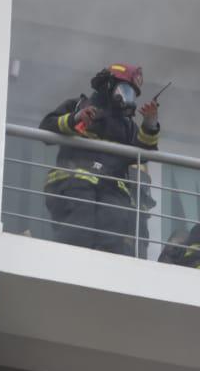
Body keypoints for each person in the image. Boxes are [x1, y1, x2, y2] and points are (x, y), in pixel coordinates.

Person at [39, 63, 161, 255]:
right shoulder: (78, 106)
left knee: (112, 235)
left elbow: (143, 153)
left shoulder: (127, 126)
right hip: (74, 184)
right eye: (124, 91)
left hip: (111, 192)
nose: (126, 99)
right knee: (79, 230)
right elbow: (46, 128)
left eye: (130, 95)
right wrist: (75, 119)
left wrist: (150, 125)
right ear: (108, 86)